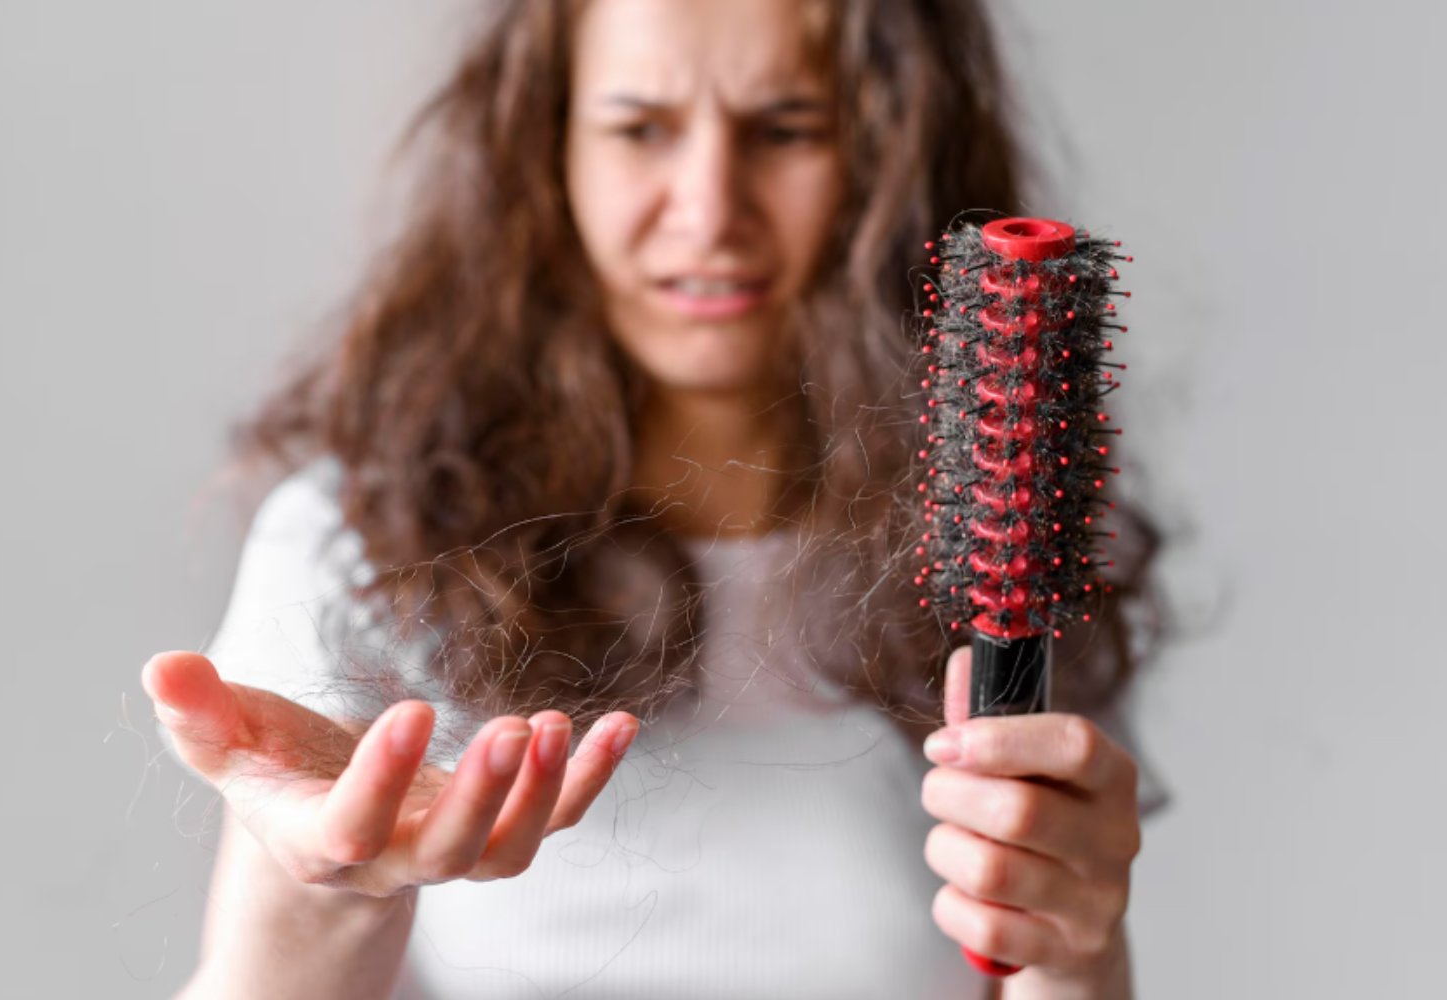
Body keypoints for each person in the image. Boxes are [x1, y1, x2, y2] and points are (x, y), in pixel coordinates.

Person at [143, 1, 1170, 997]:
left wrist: (1075, 952)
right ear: (549, 151)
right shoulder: (357, 542)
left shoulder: (1009, 548)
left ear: (893, 152)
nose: (710, 208)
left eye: (786, 128)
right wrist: (331, 889)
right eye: (640, 129)